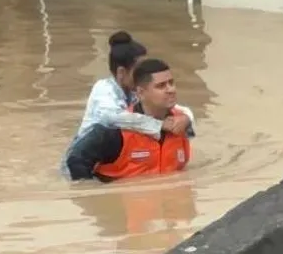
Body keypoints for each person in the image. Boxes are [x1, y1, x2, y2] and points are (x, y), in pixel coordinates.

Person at [60, 31, 195, 175]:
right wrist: (159, 125)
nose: (144, 72)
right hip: (84, 156)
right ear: (121, 72)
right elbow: (112, 118)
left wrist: (186, 118)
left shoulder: (135, 93)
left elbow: (176, 108)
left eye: (171, 83)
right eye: (139, 69)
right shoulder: (104, 90)